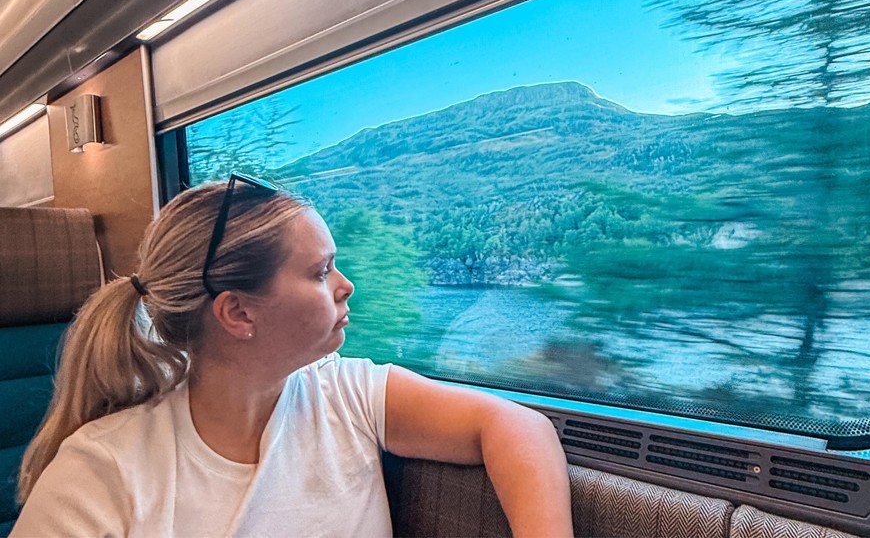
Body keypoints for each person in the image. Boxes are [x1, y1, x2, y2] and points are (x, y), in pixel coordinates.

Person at [12, 174, 572, 537]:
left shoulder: (348, 394)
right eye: (320, 271)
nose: (347, 285)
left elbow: (517, 427)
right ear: (238, 313)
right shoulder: (102, 472)